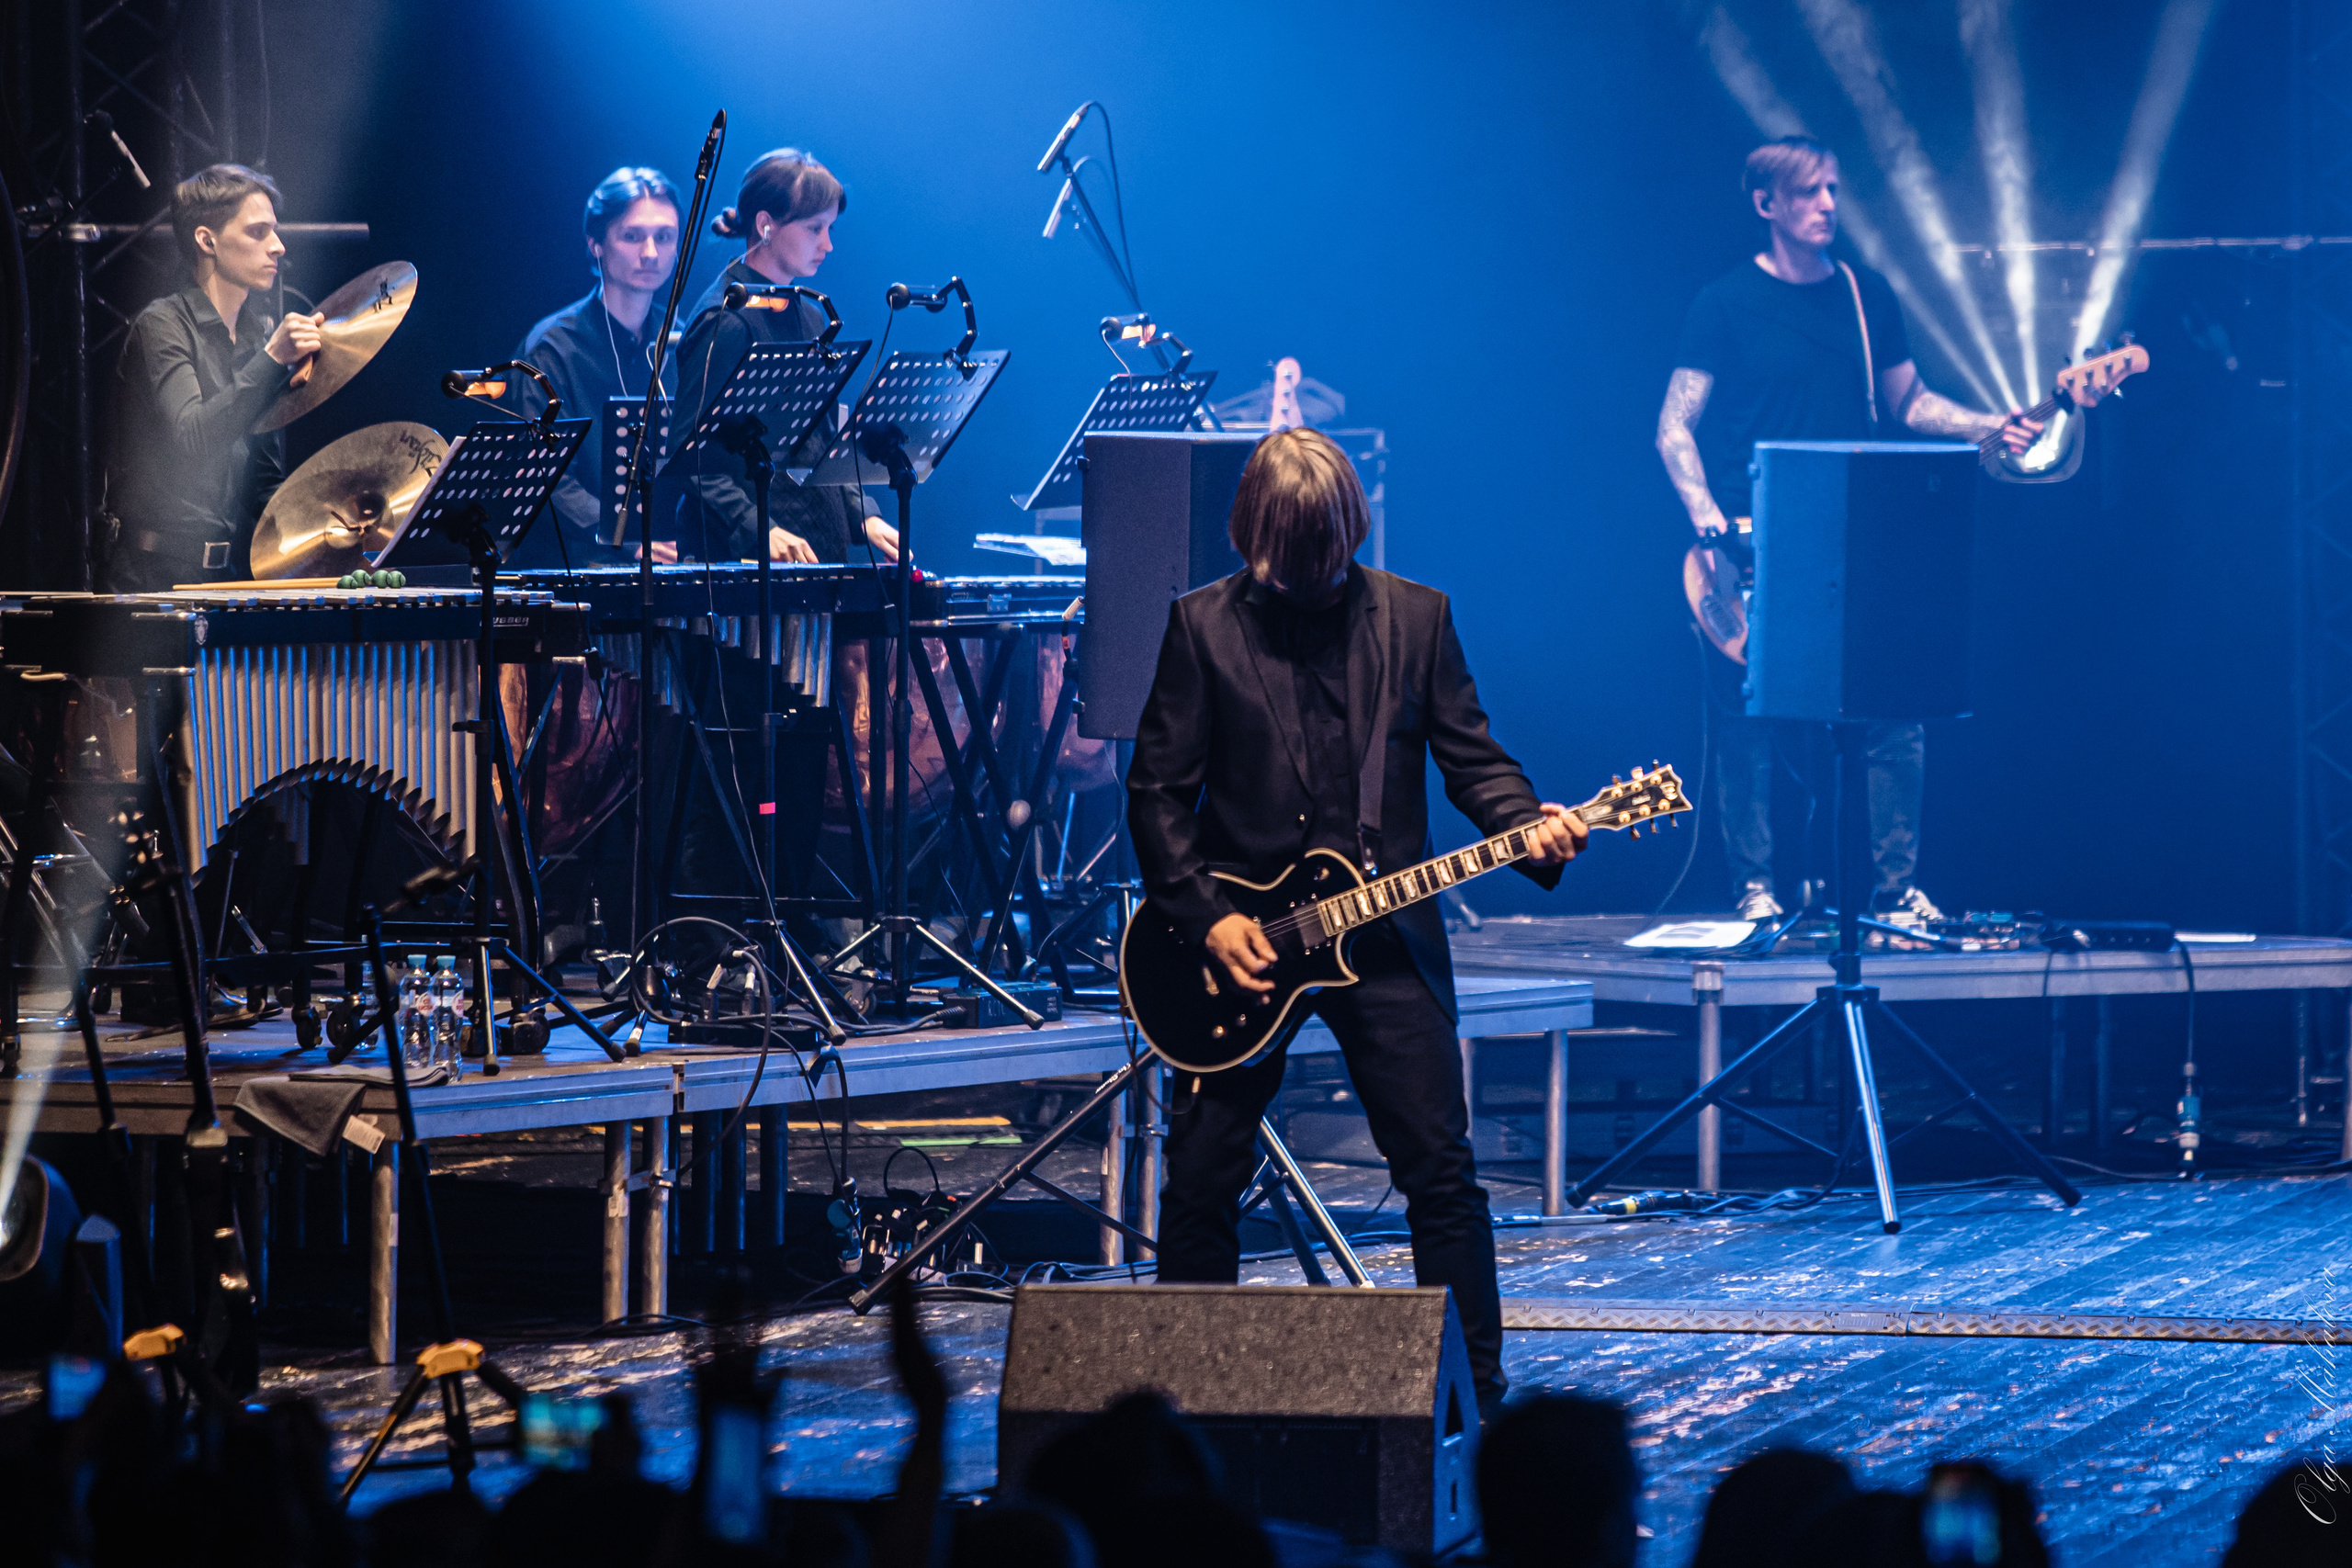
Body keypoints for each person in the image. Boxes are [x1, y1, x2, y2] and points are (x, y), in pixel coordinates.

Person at [1125, 427, 1586, 1416]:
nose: (1299, 579)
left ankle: (1474, 1406)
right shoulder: (1200, 625)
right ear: (1251, 534)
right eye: (1279, 561)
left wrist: (1526, 824)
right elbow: (1157, 795)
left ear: (1346, 531)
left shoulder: (1416, 619)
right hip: (1240, 950)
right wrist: (1208, 919)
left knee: (1441, 1174)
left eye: (1318, 558)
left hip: (1381, 941)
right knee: (1202, 1178)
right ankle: (1186, 1411)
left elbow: (1475, 760)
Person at [1656, 135, 2041, 922]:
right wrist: (1705, 514)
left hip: (1855, 538)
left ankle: (1896, 892)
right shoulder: (1722, 303)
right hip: (1750, 545)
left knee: (1895, 706)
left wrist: (1989, 427)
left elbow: (1910, 403)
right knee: (1751, 716)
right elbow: (1673, 425)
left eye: (1833, 189)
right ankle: (1755, 886)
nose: (1828, 204)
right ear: (1767, 204)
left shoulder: (1868, 298)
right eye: (1809, 192)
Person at [663, 148, 898, 565]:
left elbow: (820, 442)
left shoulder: (807, 314)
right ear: (766, 226)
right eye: (815, 228)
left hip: (812, 550)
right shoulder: (727, 319)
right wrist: (760, 527)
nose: (828, 244)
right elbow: (691, 453)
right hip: (738, 566)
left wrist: (864, 515)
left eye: (829, 228)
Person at [99, 164, 322, 592]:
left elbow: (263, 485)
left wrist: (334, 529)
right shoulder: (162, 326)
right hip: (149, 579)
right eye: (258, 232)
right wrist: (274, 357)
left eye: (275, 232)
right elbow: (193, 436)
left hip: (222, 577)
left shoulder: (255, 338)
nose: (277, 247)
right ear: (207, 241)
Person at [501, 166, 682, 569]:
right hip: (572, 568)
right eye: (632, 236)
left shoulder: (680, 342)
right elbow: (544, 476)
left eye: (664, 237)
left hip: (660, 561)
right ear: (597, 243)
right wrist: (626, 537)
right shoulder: (552, 349)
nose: (650, 252)